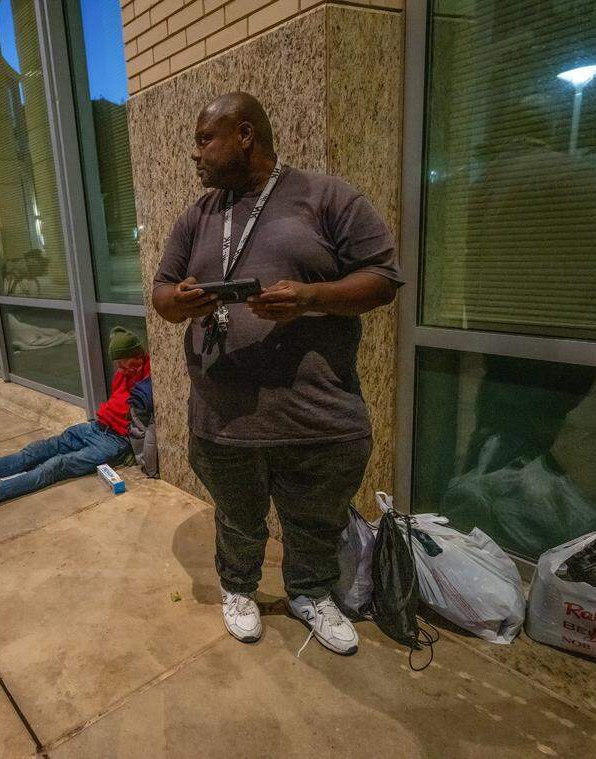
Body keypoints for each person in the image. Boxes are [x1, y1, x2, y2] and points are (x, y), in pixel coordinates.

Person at [152, 92, 402, 655]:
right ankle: (238, 588)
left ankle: (310, 592)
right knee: (239, 519)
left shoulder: (326, 196)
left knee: (314, 518)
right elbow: (161, 295)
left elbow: (384, 278)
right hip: (223, 414)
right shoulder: (198, 216)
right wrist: (182, 301)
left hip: (316, 409)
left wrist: (312, 296)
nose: (194, 154)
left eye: (203, 139)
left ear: (244, 134)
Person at [0, 327, 150, 509]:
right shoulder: (124, 373)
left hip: (115, 442)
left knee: (56, 465)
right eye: (118, 364)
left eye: (126, 362)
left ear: (138, 354)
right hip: (95, 428)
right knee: (37, 450)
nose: (121, 369)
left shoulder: (150, 374)